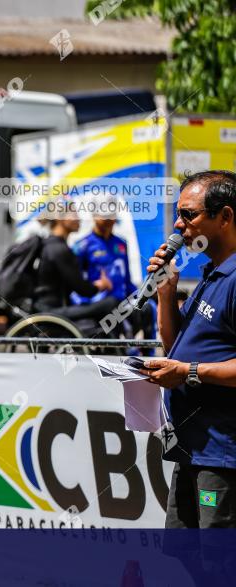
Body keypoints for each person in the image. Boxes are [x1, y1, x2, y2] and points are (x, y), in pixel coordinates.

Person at [142, 170, 236, 534]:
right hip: (190, 449)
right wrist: (165, 293)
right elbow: (175, 345)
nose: (178, 226)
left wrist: (188, 372)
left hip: (222, 457)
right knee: (183, 554)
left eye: (189, 214)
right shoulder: (212, 273)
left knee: (217, 561)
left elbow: (185, 363)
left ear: (225, 217)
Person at [71, 195, 154, 339]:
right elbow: (75, 284)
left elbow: (127, 280)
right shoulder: (82, 246)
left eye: (111, 215)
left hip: (121, 302)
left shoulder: (121, 244)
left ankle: (147, 353)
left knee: (148, 307)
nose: (108, 220)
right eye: (104, 216)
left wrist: (142, 295)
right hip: (98, 305)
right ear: (94, 215)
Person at [33, 200, 116, 330]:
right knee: (111, 303)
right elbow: (83, 289)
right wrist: (100, 285)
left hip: (48, 308)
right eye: (74, 214)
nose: (79, 218)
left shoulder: (50, 245)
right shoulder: (59, 249)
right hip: (53, 311)